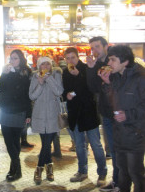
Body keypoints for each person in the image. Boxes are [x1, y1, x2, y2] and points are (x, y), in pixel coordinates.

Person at [99, 45, 145, 192]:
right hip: (119, 132)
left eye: (112, 60)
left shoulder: (140, 78)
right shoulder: (117, 77)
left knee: (136, 173)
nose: (109, 63)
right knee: (122, 172)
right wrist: (107, 85)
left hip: (135, 133)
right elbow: (113, 103)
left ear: (125, 61)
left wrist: (128, 114)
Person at [62, 47, 107, 187]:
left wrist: (78, 75)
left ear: (78, 57)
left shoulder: (87, 68)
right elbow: (64, 89)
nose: (70, 61)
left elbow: (91, 89)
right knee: (80, 145)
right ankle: (82, 171)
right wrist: (66, 95)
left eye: (73, 57)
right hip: (74, 113)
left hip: (88, 112)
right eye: (68, 58)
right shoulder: (65, 71)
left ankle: (102, 173)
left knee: (96, 144)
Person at [86, 36, 119, 191]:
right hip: (106, 112)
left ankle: (122, 182)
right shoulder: (97, 63)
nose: (95, 50)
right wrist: (91, 69)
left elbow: (120, 85)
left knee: (123, 149)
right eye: (92, 48)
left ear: (106, 46)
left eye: (97, 46)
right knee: (112, 149)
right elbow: (94, 88)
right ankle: (116, 181)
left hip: (121, 112)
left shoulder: (115, 60)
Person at [0, 49, 32, 182]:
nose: (12, 61)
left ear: (21, 59)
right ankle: (16, 168)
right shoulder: (7, 72)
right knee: (8, 140)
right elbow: (0, 87)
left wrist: (29, 113)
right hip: (6, 109)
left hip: (19, 110)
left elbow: (28, 95)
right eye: (11, 58)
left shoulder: (26, 73)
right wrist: (4, 74)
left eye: (15, 58)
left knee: (15, 141)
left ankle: (15, 169)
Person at [29, 56, 63, 184]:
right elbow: (32, 95)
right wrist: (40, 84)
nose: (45, 67)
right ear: (39, 66)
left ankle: (39, 169)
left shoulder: (56, 75)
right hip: (40, 115)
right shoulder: (34, 77)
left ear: (51, 65)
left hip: (53, 115)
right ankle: (49, 167)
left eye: (48, 64)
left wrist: (49, 79)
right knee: (46, 144)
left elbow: (59, 92)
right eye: (43, 64)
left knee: (47, 144)